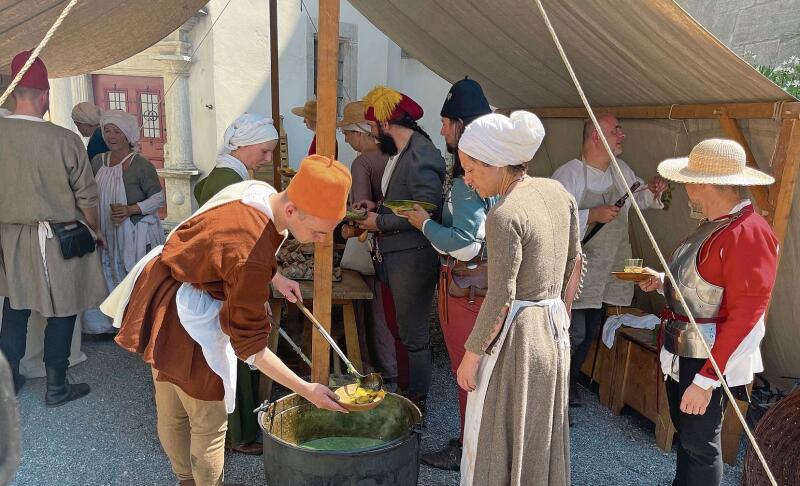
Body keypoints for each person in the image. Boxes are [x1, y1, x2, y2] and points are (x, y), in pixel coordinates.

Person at [102, 154, 351, 486]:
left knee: (170, 403)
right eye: (319, 232)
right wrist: (307, 390)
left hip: (162, 290)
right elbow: (251, 347)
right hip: (189, 316)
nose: (322, 241)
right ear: (291, 211)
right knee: (207, 420)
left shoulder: (258, 191)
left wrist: (275, 277)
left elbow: (229, 249)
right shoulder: (251, 257)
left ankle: (185, 480)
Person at [638, 139, 777, 486]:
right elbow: (707, 286)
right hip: (687, 349)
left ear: (703, 183)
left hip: (707, 358)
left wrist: (706, 379)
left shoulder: (748, 232)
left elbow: (747, 315)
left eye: (690, 181)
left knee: (700, 448)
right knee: (688, 442)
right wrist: (664, 281)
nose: (687, 189)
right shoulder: (716, 224)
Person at [456, 111, 582, 486]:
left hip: (520, 339)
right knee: (540, 434)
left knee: (497, 434)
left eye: (471, 169)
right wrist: (563, 312)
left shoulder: (503, 214)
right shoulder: (558, 192)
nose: (467, 179)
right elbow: (576, 260)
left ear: (496, 163)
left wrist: (471, 355)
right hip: (555, 333)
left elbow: (501, 296)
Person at [0, 51, 106, 406]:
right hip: (60, 238)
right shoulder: (64, 139)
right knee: (63, 309)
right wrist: (95, 231)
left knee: (15, 308)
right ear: (44, 95)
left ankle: (10, 382)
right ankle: (56, 387)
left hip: (10, 238)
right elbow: (87, 196)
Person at [194, 113, 300, 456]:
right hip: (226, 283)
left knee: (233, 352)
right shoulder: (227, 182)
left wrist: (276, 277)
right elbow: (239, 246)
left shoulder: (226, 173)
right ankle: (240, 435)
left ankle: (234, 430)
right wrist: (256, 291)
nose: (268, 159)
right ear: (244, 146)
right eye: (265, 151)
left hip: (224, 279)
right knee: (240, 351)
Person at [404, 77, 493, 471]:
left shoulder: (468, 179)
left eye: (445, 122)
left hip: (468, 288)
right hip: (488, 286)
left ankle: (468, 449)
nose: (440, 130)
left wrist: (423, 223)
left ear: (460, 124)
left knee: (466, 369)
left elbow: (466, 244)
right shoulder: (497, 170)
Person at [551, 113, 667, 416]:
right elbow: (551, 218)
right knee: (572, 333)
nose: (622, 135)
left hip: (611, 264)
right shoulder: (569, 175)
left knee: (590, 330)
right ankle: (554, 390)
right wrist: (591, 215)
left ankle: (570, 381)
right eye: (615, 130)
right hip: (579, 268)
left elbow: (637, 202)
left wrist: (654, 193)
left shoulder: (622, 171)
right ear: (595, 138)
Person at [356, 86, 446, 411]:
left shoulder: (422, 153)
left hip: (413, 257)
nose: (371, 134)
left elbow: (425, 209)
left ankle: (417, 402)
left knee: (414, 334)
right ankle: (408, 394)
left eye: (372, 128)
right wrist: (376, 206)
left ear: (385, 125)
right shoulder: (403, 151)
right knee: (399, 329)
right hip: (395, 257)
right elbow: (403, 201)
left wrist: (378, 223)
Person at [82, 110, 166, 335]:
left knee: (131, 273)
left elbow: (159, 198)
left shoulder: (141, 165)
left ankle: (134, 325)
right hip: (104, 228)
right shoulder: (98, 161)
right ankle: (105, 324)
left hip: (132, 230)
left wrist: (131, 209)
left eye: (116, 131)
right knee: (105, 271)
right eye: (107, 130)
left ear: (127, 134)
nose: (111, 136)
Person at [338, 101, 397, 385]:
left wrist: (341, 217)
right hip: (396, 247)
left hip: (371, 245)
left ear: (361, 132)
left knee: (371, 312)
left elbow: (360, 213)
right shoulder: (394, 155)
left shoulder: (362, 162)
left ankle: (375, 367)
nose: (346, 139)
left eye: (347, 133)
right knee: (390, 310)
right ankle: (394, 367)